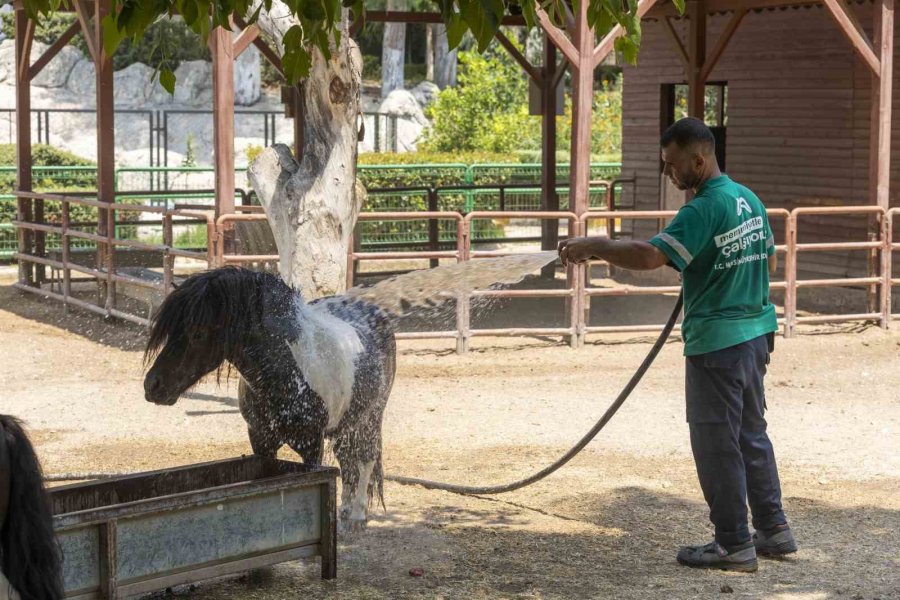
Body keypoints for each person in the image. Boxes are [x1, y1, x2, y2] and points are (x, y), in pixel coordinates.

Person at [558, 117, 797, 572]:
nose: (669, 173)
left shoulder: (702, 209)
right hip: (755, 334)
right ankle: (773, 528)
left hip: (718, 344)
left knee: (715, 442)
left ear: (698, 159)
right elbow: (765, 256)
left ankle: (733, 543)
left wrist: (597, 245)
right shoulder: (749, 199)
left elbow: (651, 255)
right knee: (751, 432)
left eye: (672, 165)